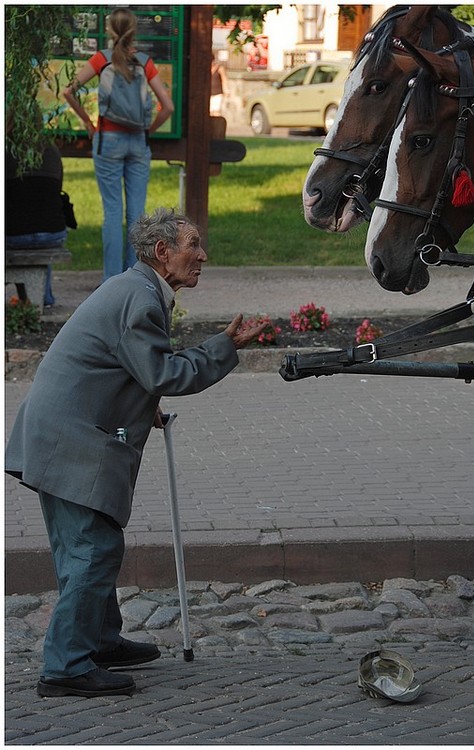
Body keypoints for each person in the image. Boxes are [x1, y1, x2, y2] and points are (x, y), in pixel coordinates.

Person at [5, 207, 267, 698]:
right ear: (163, 252)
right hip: (70, 438)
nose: (203, 255)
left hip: (60, 433)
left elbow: (119, 365)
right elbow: (163, 373)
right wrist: (223, 348)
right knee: (93, 548)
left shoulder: (137, 288)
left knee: (86, 543)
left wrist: (141, 406)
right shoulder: (141, 297)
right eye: (194, 245)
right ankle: (65, 666)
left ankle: (97, 641)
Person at [62, 8, 174, 283]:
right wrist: (149, 130)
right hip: (138, 141)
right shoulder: (145, 62)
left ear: (110, 31)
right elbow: (167, 106)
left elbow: (68, 91)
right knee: (137, 213)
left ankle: (111, 282)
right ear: (134, 30)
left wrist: (89, 123)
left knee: (112, 211)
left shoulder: (101, 59)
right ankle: (135, 278)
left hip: (107, 141)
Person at [6, 142, 69, 307]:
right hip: (53, 232)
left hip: (14, 234)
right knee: (39, 224)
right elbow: (58, 187)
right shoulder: (52, 150)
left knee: (26, 225)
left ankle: (32, 296)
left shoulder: (7, 149)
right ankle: (43, 297)